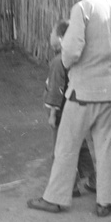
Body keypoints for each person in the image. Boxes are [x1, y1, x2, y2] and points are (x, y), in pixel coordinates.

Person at [27, 0, 111, 217]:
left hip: (83, 90)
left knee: (66, 145)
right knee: (106, 147)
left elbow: (71, 51)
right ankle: (105, 201)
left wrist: (67, 60)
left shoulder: (83, 8)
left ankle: (55, 198)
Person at [44, 19, 96, 196]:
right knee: (80, 145)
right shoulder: (74, 58)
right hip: (76, 109)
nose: (50, 37)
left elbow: (56, 90)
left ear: (59, 38)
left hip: (61, 112)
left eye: (52, 33)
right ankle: (93, 179)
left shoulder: (58, 62)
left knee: (62, 149)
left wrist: (52, 113)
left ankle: (69, 186)